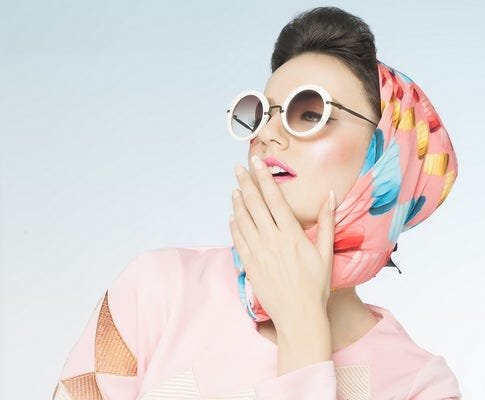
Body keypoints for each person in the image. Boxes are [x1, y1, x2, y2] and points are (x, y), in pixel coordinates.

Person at [52, 6, 461, 400]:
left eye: (309, 112)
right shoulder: (157, 289)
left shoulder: (418, 385)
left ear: (391, 148)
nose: (267, 134)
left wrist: (303, 333)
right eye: (261, 114)